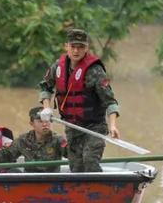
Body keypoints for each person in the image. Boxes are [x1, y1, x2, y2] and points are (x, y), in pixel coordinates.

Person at [39, 29, 120, 172]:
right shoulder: (58, 67)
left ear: (86, 48)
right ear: (66, 47)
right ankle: (81, 193)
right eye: (73, 46)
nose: (76, 51)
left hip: (94, 128)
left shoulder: (95, 71)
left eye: (81, 47)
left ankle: (99, 192)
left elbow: (110, 101)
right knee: (76, 168)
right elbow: (45, 87)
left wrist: (113, 126)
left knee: (89, 161)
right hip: (72, 128)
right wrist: (46, 107)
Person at [0, 107, 67, 173]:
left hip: (53, 182)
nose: (45, 124)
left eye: (47, 121)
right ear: (32, 124)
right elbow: (6, 152)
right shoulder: (23, 140)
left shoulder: (58, 140)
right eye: (40, 121)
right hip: (29, 181)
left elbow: (71, 152)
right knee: (13, 172)